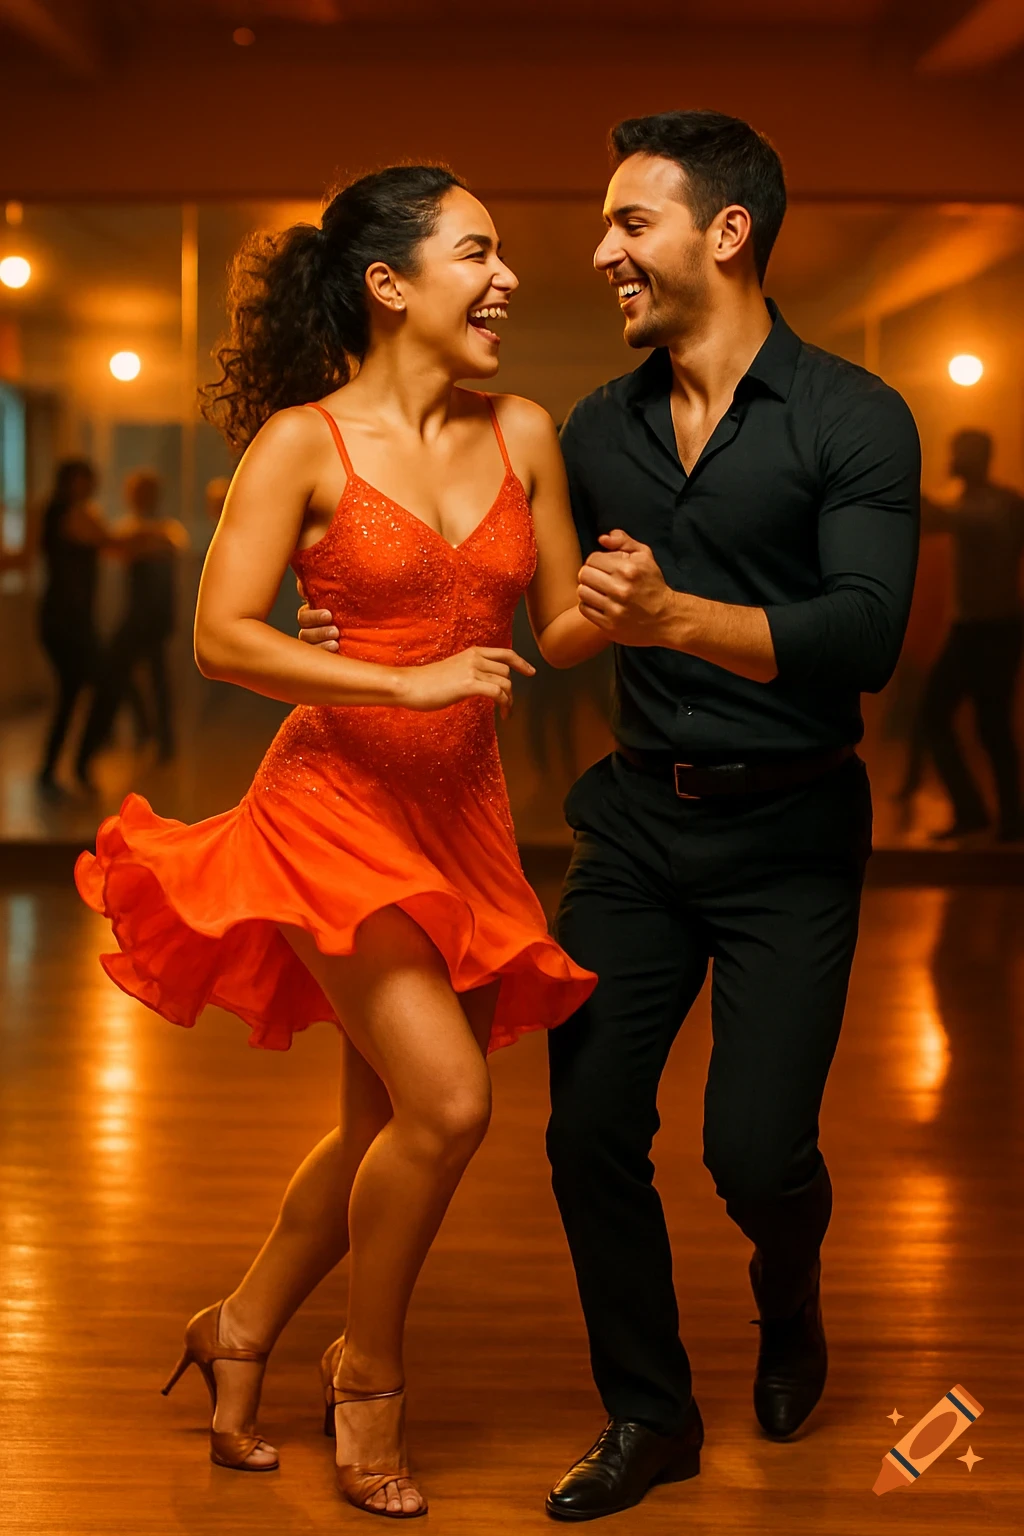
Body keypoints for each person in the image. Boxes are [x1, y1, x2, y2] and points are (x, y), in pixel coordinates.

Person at [301, 110, 923, 1523]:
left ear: (727, 232)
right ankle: (651, 1416)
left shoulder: (852, 416)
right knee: (587, 1133)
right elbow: (512, 584)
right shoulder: (594, 426)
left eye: (628, 224)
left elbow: (866, 635)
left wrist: (677, 616)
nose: (599, 256)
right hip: (636, 828)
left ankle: (789, 1279)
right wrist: (351, 605)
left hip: (792, 835)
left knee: (755, 1153)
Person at [75, 165, 604, 1520]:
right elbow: (221, 635)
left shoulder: (526, 431)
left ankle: (238, 1326)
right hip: (335, 808)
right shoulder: (304, 444)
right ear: (389, 284)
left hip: (463, 821)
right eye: (476, 254)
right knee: (448, 1105)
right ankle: (367, 1374)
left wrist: (635, 596)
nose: (506, 279)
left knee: (383, 1122)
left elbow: (558, 632)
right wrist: (400, 681)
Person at [918, 430, 1024, 842]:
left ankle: (995, 816)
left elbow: (942, 519)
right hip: (980, 628)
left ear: (979, 457)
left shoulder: (1000, 505)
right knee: (979, 723)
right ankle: (995, 816)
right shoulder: (988, 503)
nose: (954, 457)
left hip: (992, 628)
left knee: (985, 724)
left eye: (960, 451)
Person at [75, 468, 189, 783]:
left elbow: (155, 550)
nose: (139, 498)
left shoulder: (167, 530)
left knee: (149, 679)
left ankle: (156, 738)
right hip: (140, 618)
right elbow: (122, 551)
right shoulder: (146, 529)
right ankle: (147, 734)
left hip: (152, 621)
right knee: (127, 677)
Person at [36, 458, 102, 792]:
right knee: (89, 687)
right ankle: (71, 766)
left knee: (74, 692)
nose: (89, 485)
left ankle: (57, 769)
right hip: (63, 621)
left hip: (73, 620)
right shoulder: (62, 512)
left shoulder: (71, 512)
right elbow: (106, 540)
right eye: (83, 479)